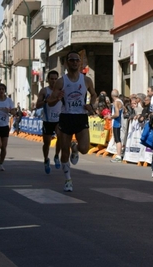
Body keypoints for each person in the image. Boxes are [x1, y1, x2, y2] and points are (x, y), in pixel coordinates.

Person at [47, 51, 97, 192]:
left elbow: (94, 94)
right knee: (64, 151)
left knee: (84, 149)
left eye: (77, 60)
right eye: (71, 60)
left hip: (81, 116)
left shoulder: (86, 80)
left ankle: (75, 148)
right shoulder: (61, 81)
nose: (74, 62)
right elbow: (50, 101)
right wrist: (57, 98)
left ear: (80, 63)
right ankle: (68, 179)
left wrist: (92, 105)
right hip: (66, 116)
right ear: (66, 63)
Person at [35, 70, 62, 174]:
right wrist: (46, 101)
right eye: (52, 79)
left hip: (59, 119)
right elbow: (37, 105)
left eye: (56, 79)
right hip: (47, 120)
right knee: (47, 143)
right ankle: (46, 159)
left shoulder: (61, 90)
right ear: (48, 80)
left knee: (60, 136)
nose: (54, 81)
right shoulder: (44, 91)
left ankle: (56, 156)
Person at [107, 89, 124, 163]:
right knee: (117, 139)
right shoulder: (120, 101)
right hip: (119, 122)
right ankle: (119, 155)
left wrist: (110, 117)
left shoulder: (116, 102)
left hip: (117, 123)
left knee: (117, 139)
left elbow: (117, 114)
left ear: (112, 95)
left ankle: (118, 155)